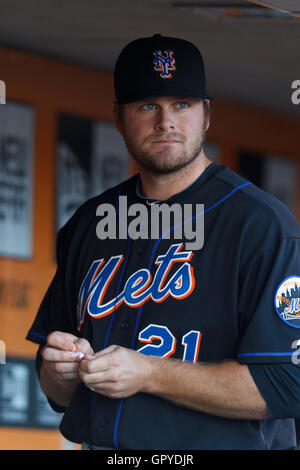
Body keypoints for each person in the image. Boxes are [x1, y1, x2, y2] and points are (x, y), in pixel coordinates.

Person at [26, 34, 300, 450]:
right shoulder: (89, 223)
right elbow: (58, 397)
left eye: (182, 105)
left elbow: (287, 384)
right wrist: (59, 371)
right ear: (119, 118)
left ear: (206, 115)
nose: (165, 122)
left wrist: (150, 373)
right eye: (148, 105)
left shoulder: (259, 225)